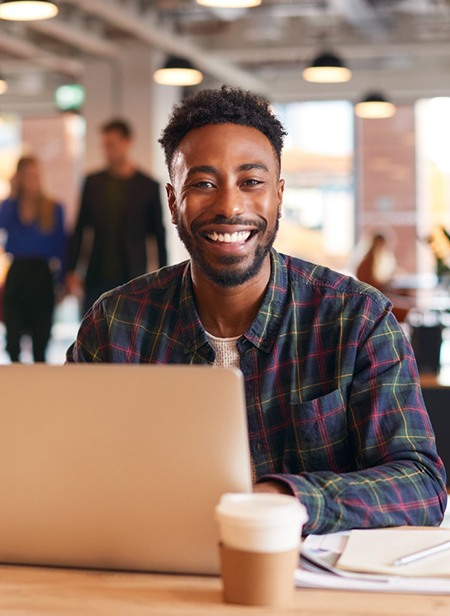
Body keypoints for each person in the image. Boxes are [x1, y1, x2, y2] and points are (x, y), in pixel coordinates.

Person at [66, 85, 447, 535]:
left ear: (279, 196)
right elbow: (65, 470)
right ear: (173, 202)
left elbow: (421, 484)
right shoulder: (115, 325)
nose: (229, 206)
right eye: (204, 184)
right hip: (155, 573)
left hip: (308, 589)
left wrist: (285, 499)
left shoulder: (358, 319)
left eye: (251, 182)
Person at [66, 118, 167, 313]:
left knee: (130, 335)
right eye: (105, 145)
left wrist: (164, 279)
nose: (108, 150)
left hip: (133, 274)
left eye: (112, 145)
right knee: (93, 330)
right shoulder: (93, 183)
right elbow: (79, 229)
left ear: (128, 142)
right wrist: (72, 270)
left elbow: (158, 236)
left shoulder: (147, 186)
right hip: (96, 274)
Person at [0, 155, 66, 362]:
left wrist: (62, 282)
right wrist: (13, 194)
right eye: (27, 176)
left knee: (41, 340)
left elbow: (62, 248)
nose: (32, 181)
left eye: (35, 176)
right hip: (17, 273)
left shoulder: (53, 208)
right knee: (12, 339)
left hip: (41, 276)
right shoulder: (9, 207)